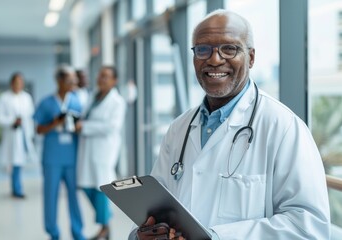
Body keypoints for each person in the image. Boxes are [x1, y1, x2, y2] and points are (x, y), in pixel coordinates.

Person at [130, 9, 330, 240]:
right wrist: (145, 233)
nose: (215, 60)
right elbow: (157, 207)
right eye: (203, 49)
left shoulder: (284, 127)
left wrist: (215, 237)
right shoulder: (179, 129)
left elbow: (309, 226)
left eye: (229, 48)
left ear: (251, 57)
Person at [33, 65, 85, 240]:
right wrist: (55, 123)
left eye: (74, 80)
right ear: (59, 81)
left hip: (72, 157)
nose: (73, 83)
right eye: (69, 80)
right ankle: (53, 232)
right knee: (50, 196)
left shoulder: (77, 101)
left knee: (74, 197)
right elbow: (38, 129)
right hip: (52, 158)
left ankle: (77, 232)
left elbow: (82, 127)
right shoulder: (47, 103)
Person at [76, 66, 126, 240]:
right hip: (89, 149)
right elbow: (86, 116)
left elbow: (112, 127)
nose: (101, 79)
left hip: (104, 150)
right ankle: (105, 225)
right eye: (100, 75)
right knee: (87, 186)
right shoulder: (93, 96)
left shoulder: (117, 102)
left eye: (106, 76)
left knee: (101, 188)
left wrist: (85, 127)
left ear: (114, 81)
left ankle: (104, 228)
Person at [0, 72, 36, 199]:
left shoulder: (27, 98)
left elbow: (31, 116)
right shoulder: (4, 98)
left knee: (19, 162)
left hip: (24, 134)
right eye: (17, 82)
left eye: (21, 82)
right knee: (15, 162)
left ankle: (16, 188)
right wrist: (13, 120)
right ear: (11, 83)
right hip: (12, 135)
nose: (19, 85)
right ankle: (17, 189)